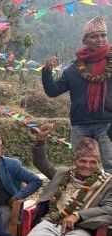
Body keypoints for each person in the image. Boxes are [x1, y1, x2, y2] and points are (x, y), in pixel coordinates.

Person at [42, 17, 112, 169]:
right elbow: (53, 91)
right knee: (82, 168)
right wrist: (47, 72)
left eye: (103, 35)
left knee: (110, 166)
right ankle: (85, 193)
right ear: (85, 41)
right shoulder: (73, 70)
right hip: (80, 125)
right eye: (94, 36)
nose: (100, 39)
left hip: (108, 124)